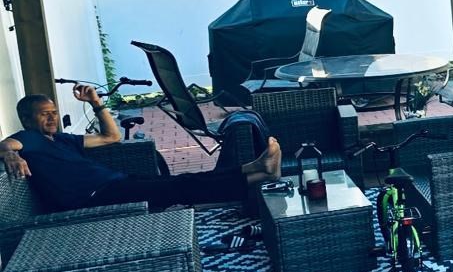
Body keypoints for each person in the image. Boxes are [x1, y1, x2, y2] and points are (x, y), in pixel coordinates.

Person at [1, 86, 281, 212]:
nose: (52, 118)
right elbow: (5, 144)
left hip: (115, 184)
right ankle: (257, 173)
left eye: (53, 112)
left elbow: (111, 137)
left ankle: (256, 170)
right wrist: (10, 153)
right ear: (27, 119)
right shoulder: (30, 138)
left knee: (184, 182)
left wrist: (96, 103)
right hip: (95, 197)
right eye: (44, 114)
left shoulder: (61, 139)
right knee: (182, 186)